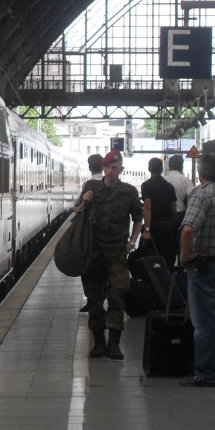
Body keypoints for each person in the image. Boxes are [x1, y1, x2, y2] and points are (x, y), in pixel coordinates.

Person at [179, 153, 215, 387]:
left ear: (201, 174)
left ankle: (206, 373)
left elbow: (187, 230)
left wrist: (185, 257)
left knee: (203, 324)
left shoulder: (201, 195)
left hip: (204, 266)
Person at [81, 150, 143, 360]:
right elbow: (76, 212)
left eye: (114, 167)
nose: (109, 171)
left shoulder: (129, 192)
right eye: (107, 167)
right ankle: (99, 342)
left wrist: (132, 241)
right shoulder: (91, 188)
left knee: (117, 296)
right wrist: (84, 202)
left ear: (120, 170)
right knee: (95, 300)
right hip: (94, 254)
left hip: (117, 253)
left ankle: (114, 344)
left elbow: (138, 218)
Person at [76, 154, 104, 314]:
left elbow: (79, 206)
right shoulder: (109, 184)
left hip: (90, 237)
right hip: (108, 238)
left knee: (87, 269)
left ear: (90, 167)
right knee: (104, 271)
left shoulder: (89, 185)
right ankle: (99, 299)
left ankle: (92, 300)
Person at [139, 157, 177, 266]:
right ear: (162, 169)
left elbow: (148, 208)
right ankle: (167, 281)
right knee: (167, 258)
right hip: (168, 227)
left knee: (151, 259)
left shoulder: (146, 185)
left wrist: (147, 230)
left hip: (154, 228)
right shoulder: (169, 186)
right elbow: (174, 210)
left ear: (149, 169)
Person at [164, 154, 193, 235]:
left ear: (169, 166)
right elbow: (192, 196)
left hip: (166, 216)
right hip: (181, 216)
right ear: (181, 166)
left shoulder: (164, 180)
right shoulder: (186, 180)